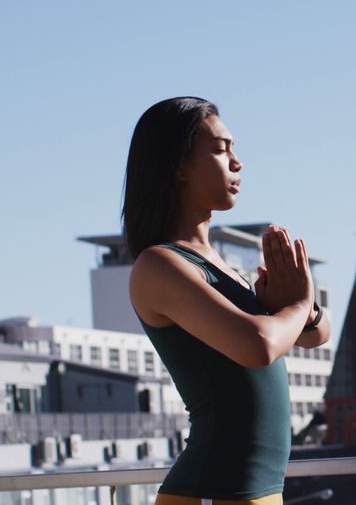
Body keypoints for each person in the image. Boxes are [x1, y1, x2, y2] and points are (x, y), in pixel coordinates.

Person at [122, 97, 331, 505]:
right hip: (211, 493)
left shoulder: (223, 267)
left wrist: (300, 308)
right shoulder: (159, 265)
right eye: (220, 149)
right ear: (178, 166)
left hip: (252, 492)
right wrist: (298, 303)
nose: (237, 163)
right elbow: (259, 345)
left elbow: (317, 335)